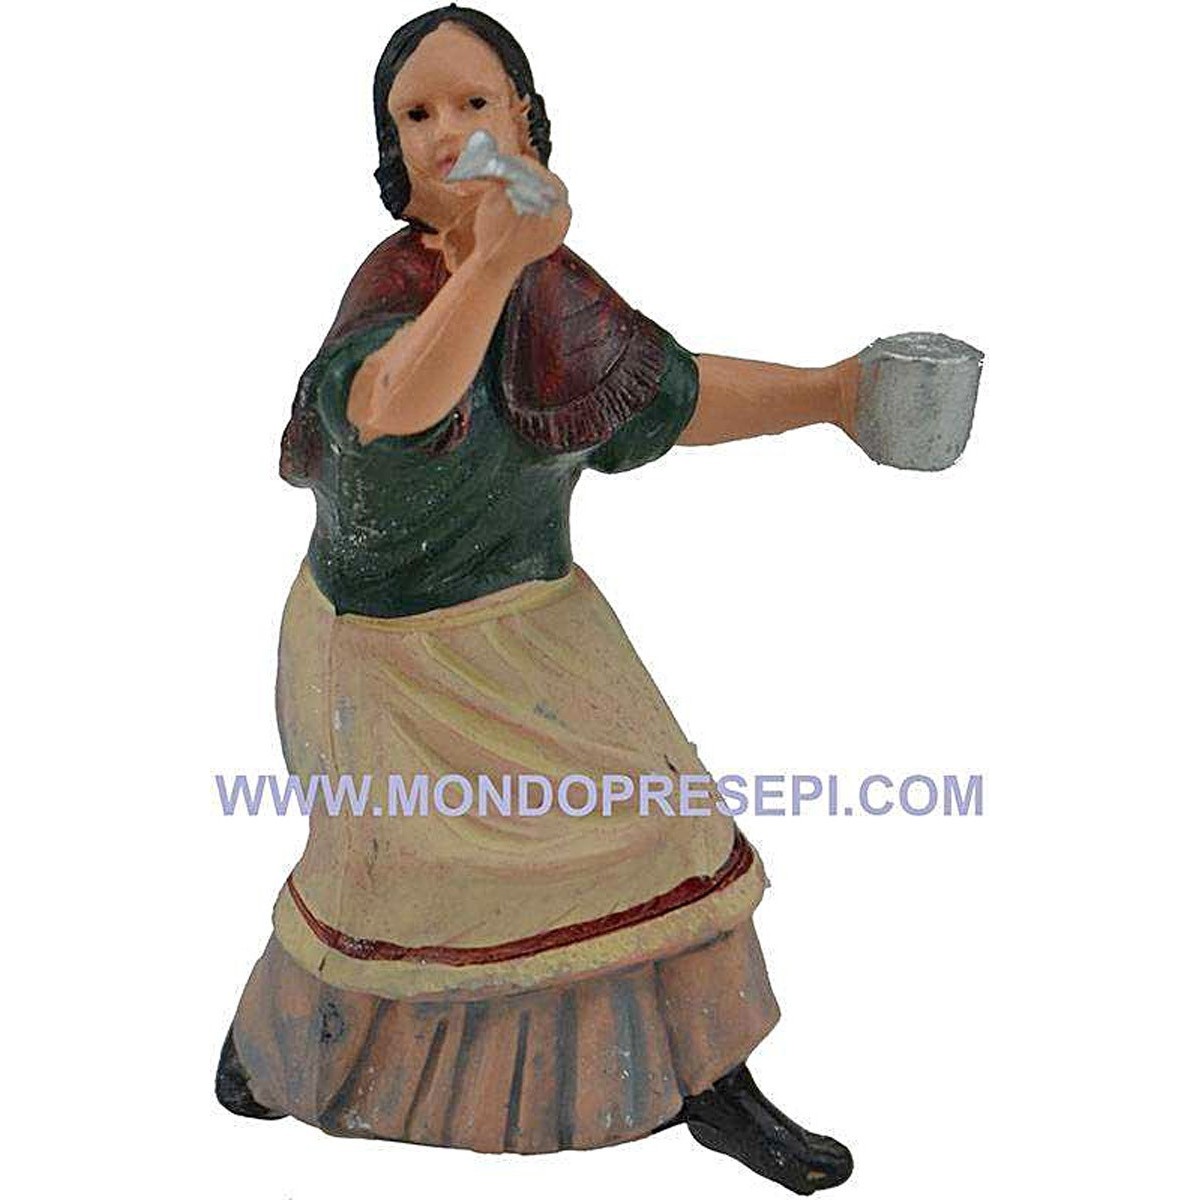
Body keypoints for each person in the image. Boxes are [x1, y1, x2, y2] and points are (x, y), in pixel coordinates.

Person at [218, 7, 863, 1194]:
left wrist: (837, 395)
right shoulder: (394, 286)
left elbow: (670, 398)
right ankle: (285, 1049)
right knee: (397, 868)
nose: (448, 133)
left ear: (525, 120)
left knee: (670, 826)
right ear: (391, 146)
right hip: (387, 652)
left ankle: (710, 1080)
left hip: (535, 621)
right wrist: (494, 264)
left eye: (475, 103)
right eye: (417, 114)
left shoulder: (555, 291)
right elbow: (394, 404)